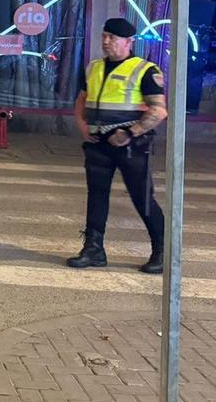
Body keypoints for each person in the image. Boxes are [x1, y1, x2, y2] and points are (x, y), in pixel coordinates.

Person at [68, 17, 168, 274]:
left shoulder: (145, 70)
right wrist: (81, 124)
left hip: (131, 146)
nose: (106, 41)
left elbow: (159, 111)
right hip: (98, 143)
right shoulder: (94, 67)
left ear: (128, 42)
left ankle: (162, 250)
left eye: (112, 37)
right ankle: (93, 248)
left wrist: (130, 133)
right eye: (104, 35)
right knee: (97, 196)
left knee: (142, 198)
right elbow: (82, 98)